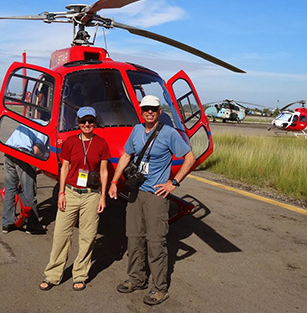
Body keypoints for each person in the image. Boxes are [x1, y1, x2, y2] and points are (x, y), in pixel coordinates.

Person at [109, 95, 196, 306]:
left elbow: (190, 157)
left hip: (156, 195)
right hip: (135, 194)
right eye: (145, 108)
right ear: (141, 111)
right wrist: (113, 182)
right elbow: (126, 156)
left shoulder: (169, 133)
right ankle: (136, 278)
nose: (149, 112)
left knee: (156, 242)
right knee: (134, 238)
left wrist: (173, 183)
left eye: (153, 109)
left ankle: (159, 288)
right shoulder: (137, 130)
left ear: (159, 111)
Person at [39, 106, 110, 292]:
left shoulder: (102, 143)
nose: (87, 124)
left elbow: (103, 171)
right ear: (78, 122)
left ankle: (80, 274)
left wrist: (103, 196)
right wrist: (61, 193)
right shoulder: (70, 142)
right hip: (70, 192)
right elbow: (64, 168)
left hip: (91, 195)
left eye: (90, 121)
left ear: (95, 122)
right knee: (61, 234)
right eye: (83, 121)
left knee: (88, 236)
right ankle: (53, 275)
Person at [2, 122, 48, 235]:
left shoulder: (30, 121)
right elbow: (36, 150)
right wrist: (45, 157)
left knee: (10, 189)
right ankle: (32, 225)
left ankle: (7, 224)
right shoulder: (45, 127)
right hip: (23, 155)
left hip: (9, 152)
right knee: (29, 191)